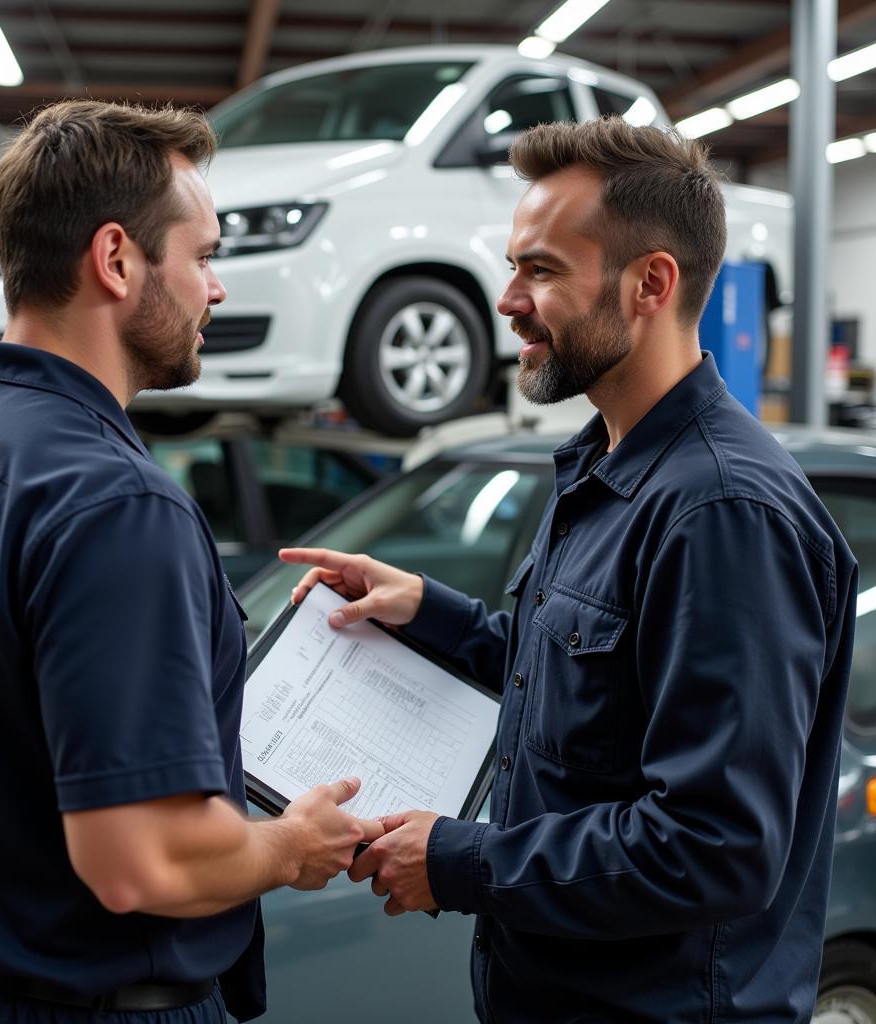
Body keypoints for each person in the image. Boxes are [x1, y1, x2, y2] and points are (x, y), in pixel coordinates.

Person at [282, 118, 857, 1023]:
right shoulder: (606, 463)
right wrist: (427, 610)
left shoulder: (722, 512)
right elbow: (593, 691)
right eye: (515, 265)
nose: (507, 299)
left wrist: (458, 860)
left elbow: (715, 846)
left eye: (540, 270)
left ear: (650, 284)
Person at [0, 99, 382, 1024]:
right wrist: (290, 847)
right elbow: (141, 861)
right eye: (206, 256)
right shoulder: (116, 505)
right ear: (115, 260)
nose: (217, 289)